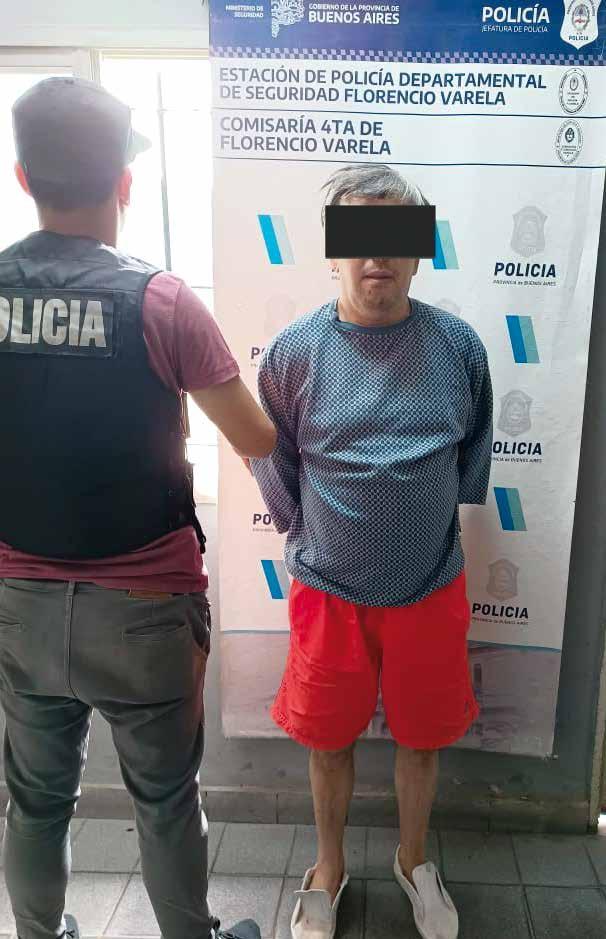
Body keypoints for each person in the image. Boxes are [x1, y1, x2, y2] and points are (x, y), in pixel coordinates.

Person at [0, 76, 276, 939]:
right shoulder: (161, 300)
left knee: (35, 799)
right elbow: (256, 437)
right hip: (146, 608)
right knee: (164, 798)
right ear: (124, 183)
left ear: (23, 178)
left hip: (19, 603)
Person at [250, 164, 493, 939]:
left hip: (430, 586)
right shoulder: (294, 351)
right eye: (359, 236)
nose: (376, 255)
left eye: (393, 237)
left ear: (418, 250)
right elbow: (275, 461)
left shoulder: (459, 347)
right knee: (327, 741)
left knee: (423, 740)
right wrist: (317, 535)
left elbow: (469, 463)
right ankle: (328, 865)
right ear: (334, 249)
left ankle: (413, 859)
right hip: (328, 592)